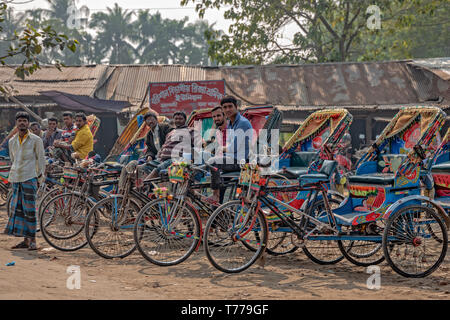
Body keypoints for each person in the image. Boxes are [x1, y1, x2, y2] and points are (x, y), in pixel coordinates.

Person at [4, 112, 45, 250]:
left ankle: (33, 240)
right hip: (16, 178)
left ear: (28, 123)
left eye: (24, 121)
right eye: (20, 121)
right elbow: (13, 159)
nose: (22, 123)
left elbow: (41, 160)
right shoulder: (12, 141)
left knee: (30, 210)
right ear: (16, 123)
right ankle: (25, 240)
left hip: (30, 177)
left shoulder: (35, 140)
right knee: (18, 210)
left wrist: (39, 178)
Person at [205, 96, 253, 205]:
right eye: (225, 107)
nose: (227, 110)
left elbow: (234, 147)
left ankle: (215, 195)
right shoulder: (231, 124)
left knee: (212, 162)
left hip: (241, 161)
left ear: (236, 107)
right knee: (219, 182)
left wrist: (221, 149)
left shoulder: (242, 123)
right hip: (233, 159)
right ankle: (217, 216)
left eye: (230, 106)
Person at [144, 111, 194, 180]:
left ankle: (145, 184)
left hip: (176, 159)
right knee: (145, 167)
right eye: (176, 119)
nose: (178, 121)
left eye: (180, 119)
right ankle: (152, 187)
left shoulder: (190, 131)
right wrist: (150, 156)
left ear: (185, 120)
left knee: (159, 168)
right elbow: (159, 147)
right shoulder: (170, 133)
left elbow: (198, 145)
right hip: (161, 159)